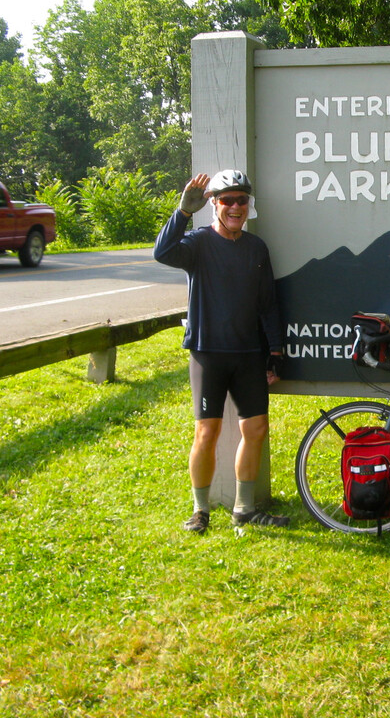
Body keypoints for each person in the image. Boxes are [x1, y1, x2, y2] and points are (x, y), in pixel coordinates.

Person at [154, 169, 289, 533]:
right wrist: (183, 212)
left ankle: (244, 509)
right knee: (206, 433)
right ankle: (201, 510)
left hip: (248, 353)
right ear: (214, 204)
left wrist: (275, 351)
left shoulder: (256, 248)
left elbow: (268, 304)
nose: (235, 207)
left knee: (256, 429)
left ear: (248, 205)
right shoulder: (197, 243)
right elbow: (162, 252)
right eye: (227, 200)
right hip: (207, 352)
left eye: (241, 200)